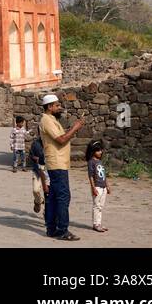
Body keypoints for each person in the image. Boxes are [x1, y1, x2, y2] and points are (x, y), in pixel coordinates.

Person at [39, 92, 85, 241]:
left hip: (59, 162)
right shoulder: (46, 120)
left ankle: (51, 229)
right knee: (63, 197)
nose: (59, 107)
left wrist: (72, 129)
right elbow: (61, 139)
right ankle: (62, 230)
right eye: (57, 105)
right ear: (50, 107)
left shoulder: (51, 119)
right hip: (57, 163)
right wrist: (75, 127)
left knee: (53, 197)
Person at [86, 139, 111, 233]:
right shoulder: (91, 162)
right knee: (96, 205)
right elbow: (91, 176)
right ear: (93, 151)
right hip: (97, 187)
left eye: (101, 150)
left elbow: (104, 175)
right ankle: (96, 224)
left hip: (103, 187)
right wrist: (93, 188)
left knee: (101, 206)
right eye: (98, 150)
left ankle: (99, 223)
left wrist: (107, 186)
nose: (101, 152)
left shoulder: (100, 161)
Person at [29, 131, 49, 217]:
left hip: (48, 172)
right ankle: (38, 201)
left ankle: (47, 213)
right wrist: (36, 158)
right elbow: (30, 155)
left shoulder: (52, 144)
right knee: (36, 190)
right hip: (37, 171)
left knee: (48, 193)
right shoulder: (35, 144)